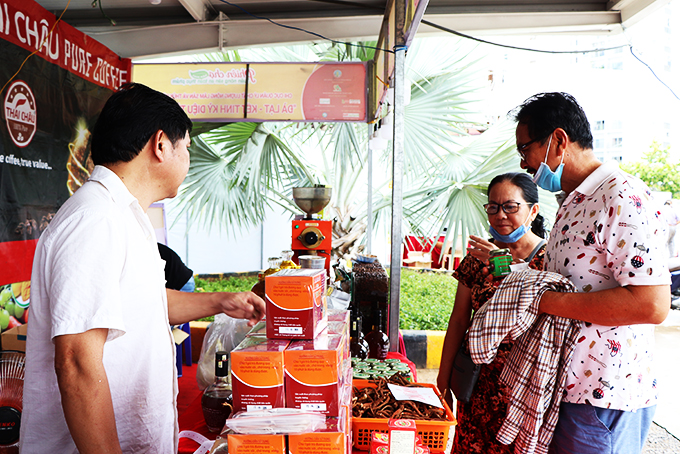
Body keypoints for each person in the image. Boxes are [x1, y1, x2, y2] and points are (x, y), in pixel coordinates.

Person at [20, 83, 265, 454]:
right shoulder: (96, 220)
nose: (188, 159)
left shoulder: (123, 215)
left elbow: (141, 304)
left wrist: (221, 301)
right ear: (161, 144)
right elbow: (76, 362)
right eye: (187, 147)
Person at [513, 92, 670, 454]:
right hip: (569, 388)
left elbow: (651, 305)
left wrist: (546, 302)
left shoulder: (620, 197)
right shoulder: (573, 199)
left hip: (603, 396)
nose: (523, 163)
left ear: (559, 141)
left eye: (526, 150)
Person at [437, 172, 548, 454]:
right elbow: (460, 319)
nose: (501, 215)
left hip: (524, 386)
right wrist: (444, 376)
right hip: (476, 382)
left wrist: (505, 265)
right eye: (493, 207)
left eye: (511, 207)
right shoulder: (477, 258)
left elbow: (543, 302)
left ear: (533, 210)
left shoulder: (548, 259)